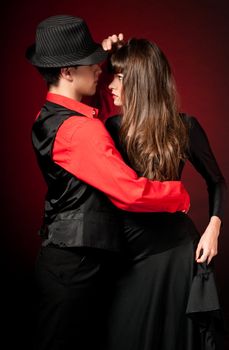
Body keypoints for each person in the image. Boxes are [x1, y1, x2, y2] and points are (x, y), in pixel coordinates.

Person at [25, 16, 190, 350]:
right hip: (75, 270)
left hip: (66, 262)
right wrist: (178, 195)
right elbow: (130, 192)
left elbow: (87, 106)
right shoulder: (80, 131)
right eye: (92, 64)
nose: (100, 69)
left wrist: (100, 52)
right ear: (67, 72)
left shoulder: (47, 115)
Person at [101, 38, 227, 350]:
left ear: (139, 82)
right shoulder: (113, 127)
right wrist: (104, 57)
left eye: (118, 78)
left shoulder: (185, 127)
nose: (110, 86)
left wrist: (214, 227)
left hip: (176, 254)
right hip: (131, 255)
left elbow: (217, 182)